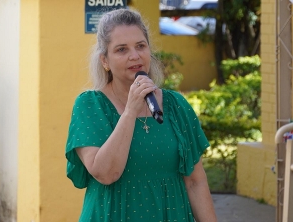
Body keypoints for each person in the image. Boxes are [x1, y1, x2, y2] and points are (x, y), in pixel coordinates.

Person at [65, 8, 217, 222]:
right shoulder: (89, 105)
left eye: (140, 46)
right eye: (121, 49)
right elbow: (106, 174)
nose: (134, 56)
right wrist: (130, 111)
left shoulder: (176, 106)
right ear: (105, 61)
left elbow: (195, 181)